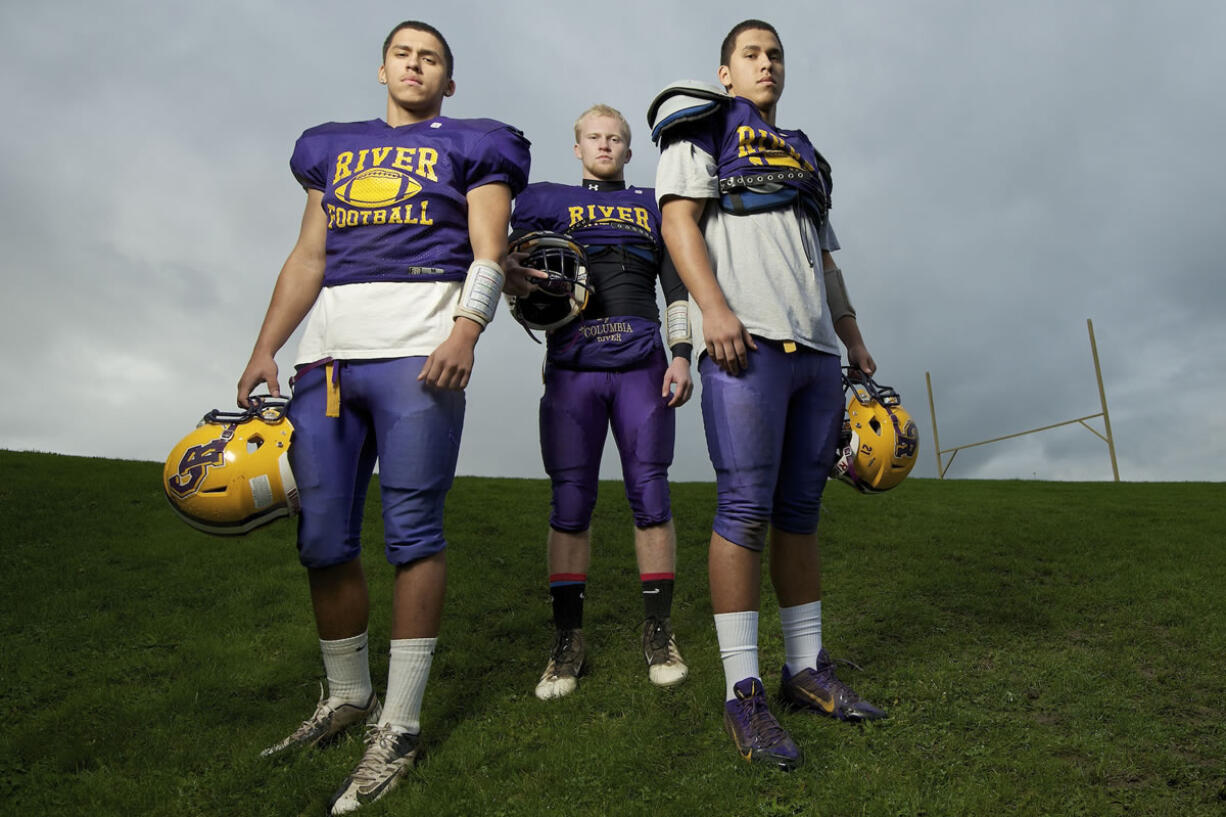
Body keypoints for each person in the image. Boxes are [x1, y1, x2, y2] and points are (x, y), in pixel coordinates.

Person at [235, 20, 529, 814]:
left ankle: (398, 725)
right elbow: (309, 257)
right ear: (381, 68)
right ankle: (347, 695)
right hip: (326, 359)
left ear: (448, 81)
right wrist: (267, 346)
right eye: (403, 53)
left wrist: (467, 329)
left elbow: (489, 249)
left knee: (412, 532)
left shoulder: (476, 142)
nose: (415, 64)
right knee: (321, 535)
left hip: (419, 353)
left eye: (431, 57)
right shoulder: (332, 147)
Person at [652, 20, 886, 771]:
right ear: (725, 72)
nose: (766, 64)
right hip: (744, 339)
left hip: (816, 353)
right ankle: (742, 687)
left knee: (800, 513)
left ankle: (805, 667)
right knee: (744, 509)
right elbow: (677, 221)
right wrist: (714, 309)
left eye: (775, 55)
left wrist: (850, 335)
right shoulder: (701, 127)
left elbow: (824, 257)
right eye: (751, 55)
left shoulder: (807, 154)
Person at [506, 105, 693, 700]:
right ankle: (567, 641)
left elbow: (676, 281)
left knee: (651, 494)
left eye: (616, 138)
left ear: (629, 150)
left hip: (641, 361)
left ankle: (659, 631)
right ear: (578, 144)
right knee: (570, 501)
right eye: (595, 136)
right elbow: (502, 260)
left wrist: (683, 352)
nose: (605, 145)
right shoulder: (544, 200)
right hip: (573, 364)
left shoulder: (651, 201)